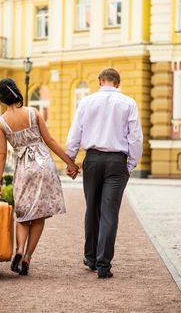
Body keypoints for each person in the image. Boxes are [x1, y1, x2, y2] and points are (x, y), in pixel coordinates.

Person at [0, 78, 78, 275]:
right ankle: (27, 258)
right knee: (39, 215)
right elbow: (50, 140)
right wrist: (70, 163)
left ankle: (19, 249)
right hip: (43, 166)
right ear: (16, 92)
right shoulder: (33, 113)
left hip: (23, 170)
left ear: (2, 99)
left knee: (23, 214)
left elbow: (1, 154)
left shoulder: (1, 122)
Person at [66, 68, 143, 279]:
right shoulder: (129, 103)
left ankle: (90, 258)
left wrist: (70, 160)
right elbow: (135, 138)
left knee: (92, 209)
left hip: (91, 159)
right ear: (118, 83)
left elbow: (75, 133)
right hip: (117, 161)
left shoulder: (86, 102)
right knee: (109, 213)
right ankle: (103, 265)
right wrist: (130, 165)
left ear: (100, 81)